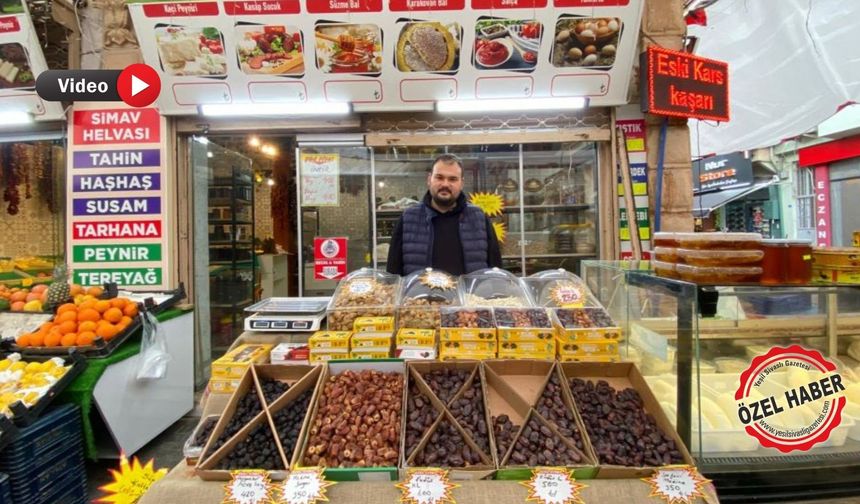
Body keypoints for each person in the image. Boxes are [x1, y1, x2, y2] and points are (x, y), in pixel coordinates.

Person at [386, 154, 502, 276]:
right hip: (420, 289)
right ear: (429, 179)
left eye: (452, 179)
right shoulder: (408, 218)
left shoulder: (479, 218)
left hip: (469, 289)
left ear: (461, 183)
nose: (445, 184)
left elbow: (496, 272)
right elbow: (393, 274)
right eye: (439, 177)